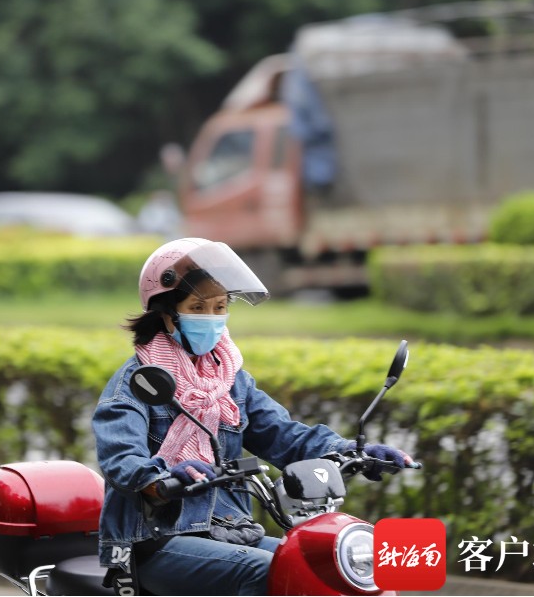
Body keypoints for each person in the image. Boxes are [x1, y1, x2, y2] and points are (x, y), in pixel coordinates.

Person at [92, 237, 414, 596]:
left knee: (328, 568)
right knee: (263, 572)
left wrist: (354, 451)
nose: (212, 319)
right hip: (154, 539)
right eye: (198, 307)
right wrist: (164, 478)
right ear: (167, 313)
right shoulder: (139, 381)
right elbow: (120, 459)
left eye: (220, 307)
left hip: (227, 529)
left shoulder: (228, 378)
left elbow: (283, 434)